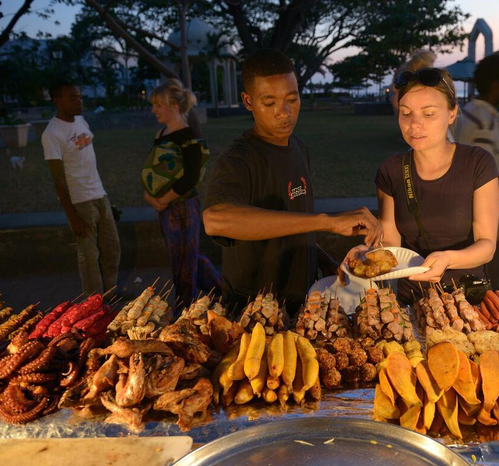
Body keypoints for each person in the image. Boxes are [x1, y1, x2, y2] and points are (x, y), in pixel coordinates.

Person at [202, 49, 382, 312]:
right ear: (248, 101)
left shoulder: (298, 147)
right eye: (269, 102)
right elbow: (215, 219)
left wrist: (327, 264)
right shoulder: (237, 159)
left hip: (304, 302)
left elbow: (296, 223)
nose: (284, 112)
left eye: (291, 99)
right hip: (253, 311)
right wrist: (328, 222)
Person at [347, 67, 499, 304]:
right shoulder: (391, 170)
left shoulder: (477, 163)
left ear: (452, 113)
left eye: (428, 114)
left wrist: (447, 259)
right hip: (413, 299)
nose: (414, 125)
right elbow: (391, 244)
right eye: (406, 113)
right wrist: (368, 256)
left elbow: (487, 246)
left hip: (467, 298)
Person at [142, 79, 222, 309]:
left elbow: (191, 177)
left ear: (174, 106)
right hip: (166, 209)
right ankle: (224, 295)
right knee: (189, 257)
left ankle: (184, 309)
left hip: (183, 209)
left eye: (158, 105)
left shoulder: (189, 137)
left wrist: (164, 200)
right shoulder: (162, 133)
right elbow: (154, 170)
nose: (154, 110)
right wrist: (150, 197)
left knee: (183, 264)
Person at [41, 81, 120, 294]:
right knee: (89, 256)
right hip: (80, 201)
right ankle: (94, 301)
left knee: (112, 247)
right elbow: (58, 180)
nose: (79, 102)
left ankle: (110, 292)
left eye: (80, 97)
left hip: (99, 194)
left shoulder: (81, 121)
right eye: (73, 98)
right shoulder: (52, 134)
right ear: (57, 101)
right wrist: (73, 217)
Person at [453, 54, 499, 289]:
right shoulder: (484, 122)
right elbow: (480, 179)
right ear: (496, 84)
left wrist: (498, 167)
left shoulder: (472, 112)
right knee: (488, 291)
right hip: (484, 226)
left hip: (470, 221)